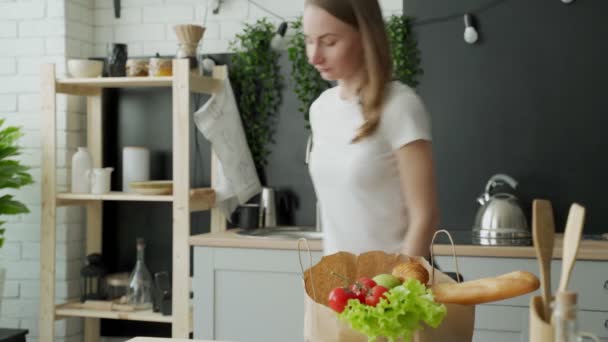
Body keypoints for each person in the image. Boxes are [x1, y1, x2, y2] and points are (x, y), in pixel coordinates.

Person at [304, 0, 439, 257]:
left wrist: (395, 288)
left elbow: (425, 216)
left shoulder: (400, 106)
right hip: (340, 287)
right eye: (309, 40)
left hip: (394, 285)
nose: (314, 56)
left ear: (365, 37)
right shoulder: (320, 110)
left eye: (329, 42)